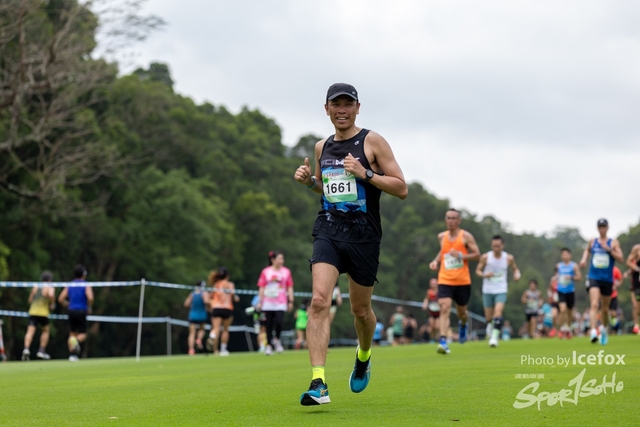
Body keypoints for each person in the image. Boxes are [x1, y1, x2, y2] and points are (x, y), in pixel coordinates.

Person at [294, 83, 408, 405]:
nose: (341, 110)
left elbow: (401, 188)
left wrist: (365, 173)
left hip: (363, 237)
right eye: (336, 104)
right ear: (327, 109)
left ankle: (364, 356)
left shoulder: (372, 141)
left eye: (348, 104)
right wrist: (310, 182)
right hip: (328, 231)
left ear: (357, 108)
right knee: (319, 301)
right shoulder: (322, 147)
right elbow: (325, 186)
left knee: (360, 311)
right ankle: (319, 383)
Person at [429, 208, 481, 354]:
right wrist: (435, 261)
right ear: (445, 220)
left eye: (454, 218)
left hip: (462, 281)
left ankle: (463, 324)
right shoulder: (441, 236)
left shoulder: (466, 236)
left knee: (462, 313)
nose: (451, 221)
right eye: (448, 218)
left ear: (459, 221)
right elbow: (443, 251)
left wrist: (461, 256)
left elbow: (477, 255)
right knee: (444, 308)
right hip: (445, 279)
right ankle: (443, 341)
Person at [579, 218, 624, 345]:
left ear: (607, 228)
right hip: (594, 277)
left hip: (607, 279)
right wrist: (584, 259)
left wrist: (609, 250)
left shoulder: (613, 242)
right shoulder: (593, 242)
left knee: (605, 309)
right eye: (600, 227)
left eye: (604, 227)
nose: (602, 229)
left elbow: (621, 258)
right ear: (597, 228)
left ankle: (603, 329)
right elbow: (587, 250)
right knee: (594, 304)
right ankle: (593, 331)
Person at [476, 235, 521, 347]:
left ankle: (494, 338)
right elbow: (478, 270)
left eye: (498, 246)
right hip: (487, 290)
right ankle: (490, 326)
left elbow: (515, 269)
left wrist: (517, 275)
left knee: (498, 312)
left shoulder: (508, 258)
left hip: (501, 289)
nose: (496, 248)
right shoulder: (486, 257)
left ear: (502, 245)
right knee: (489, 318)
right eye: (494, 246)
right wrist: (484, 275)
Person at [257, 251, 294, 356]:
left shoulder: (286, 272)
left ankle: (277, 339)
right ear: (273, 259)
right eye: (279, 258)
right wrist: (260, 301)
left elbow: (290, 286)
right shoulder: (266, 271)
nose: (281, 261)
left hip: (281, 302)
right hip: (268, 302)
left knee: (279, 322)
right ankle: (269, 345)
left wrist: (291, 301)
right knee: (268, 324)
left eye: (282, 259)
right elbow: (261, 287)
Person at [57, 265, 94, 362]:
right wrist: (89, 306)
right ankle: (76, 341)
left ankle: (72, 355)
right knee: (83, 334)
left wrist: (68, 304)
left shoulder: (70, 284)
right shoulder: (86, 284)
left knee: (72, 334)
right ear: (84, 274)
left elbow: (60, 298)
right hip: (81, 310)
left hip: (71, 311)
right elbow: (90, 297)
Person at [22, 271, 55, 361]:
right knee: (45, 331)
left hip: (33, 312)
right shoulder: (50, 287)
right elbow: (51, 295)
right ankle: (41, 350)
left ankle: (26, 349)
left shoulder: (36, 286)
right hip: (43, 313)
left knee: (30, 332)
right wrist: (52, 303)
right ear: (50, 280)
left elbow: (30, 300)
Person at [207, 267, 238, 356]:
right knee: (225, 330)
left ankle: (212, 338)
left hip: (216, 308)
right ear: (227, 275)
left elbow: (210, 298)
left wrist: (211, 304)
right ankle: (223, 350)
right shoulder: (230, 285)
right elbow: (234, 297)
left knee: (216, 329)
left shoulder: (216, 285)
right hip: (227, 308)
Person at [554, 248, 582, 339]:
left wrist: (571, 277)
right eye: (563, 254)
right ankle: (562, 329)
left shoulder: (574, 266)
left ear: (570, 255)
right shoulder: (558, 266)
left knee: (569, 312)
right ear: (561, 256)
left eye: (566, 254)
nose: (565, 256)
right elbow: (556, 276)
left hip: (570, 291)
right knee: (562, 310)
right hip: (561, 290)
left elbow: (579, 277)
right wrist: (555, 279)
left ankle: (568, 329)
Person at [184, 281, 209, 355]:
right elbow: (206, 301)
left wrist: (192, 305)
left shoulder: (192, 294)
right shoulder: (204, 293)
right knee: (202, 329)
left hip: (193, 315)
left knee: (192, 333)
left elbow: (186, 304)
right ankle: (199, 339)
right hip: (202, 315)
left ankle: (191, 350)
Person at [626, 243, 640, 334]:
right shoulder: (637, 249)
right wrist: (637, 269)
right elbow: (628, 262)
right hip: (637, 284)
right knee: (636, 306)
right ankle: (636, 325)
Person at [421, 278, 440, 342]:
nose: (433, 285)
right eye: (432, 284)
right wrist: (425, 304)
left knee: (437, 326)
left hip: (438, 311)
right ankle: (433, 338)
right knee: (432, 326)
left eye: (434, 283)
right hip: (431, 311)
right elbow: (426, 299)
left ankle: (438, 337)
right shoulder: (429, 292)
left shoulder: (440, 291)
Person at [609, 266, 623, 334]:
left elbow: (620, 279)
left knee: (613, 313)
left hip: (613, 295)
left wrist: (616, 286)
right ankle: (604, 328)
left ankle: (614, 328)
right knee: (604, 312)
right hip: (603, 295)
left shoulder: (616, 269)